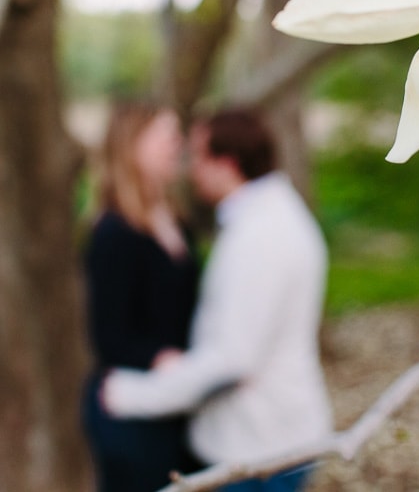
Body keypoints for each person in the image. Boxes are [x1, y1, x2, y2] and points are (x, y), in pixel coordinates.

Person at [103, 107, 333, 492]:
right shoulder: (266, 217)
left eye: (197, 156)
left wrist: (133, 396)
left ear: (225, 164)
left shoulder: (261, 237)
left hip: (260, 450)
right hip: (270, 438)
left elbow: (232, 359)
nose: (189, 167)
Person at [82, 103, 201, 492]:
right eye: (167, 136)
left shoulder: (178, 219)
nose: (177, 145)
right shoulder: (114, 231)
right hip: (130, 412)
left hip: (178, 403)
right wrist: (161, 357)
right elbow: (108, 336)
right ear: (132, 145)